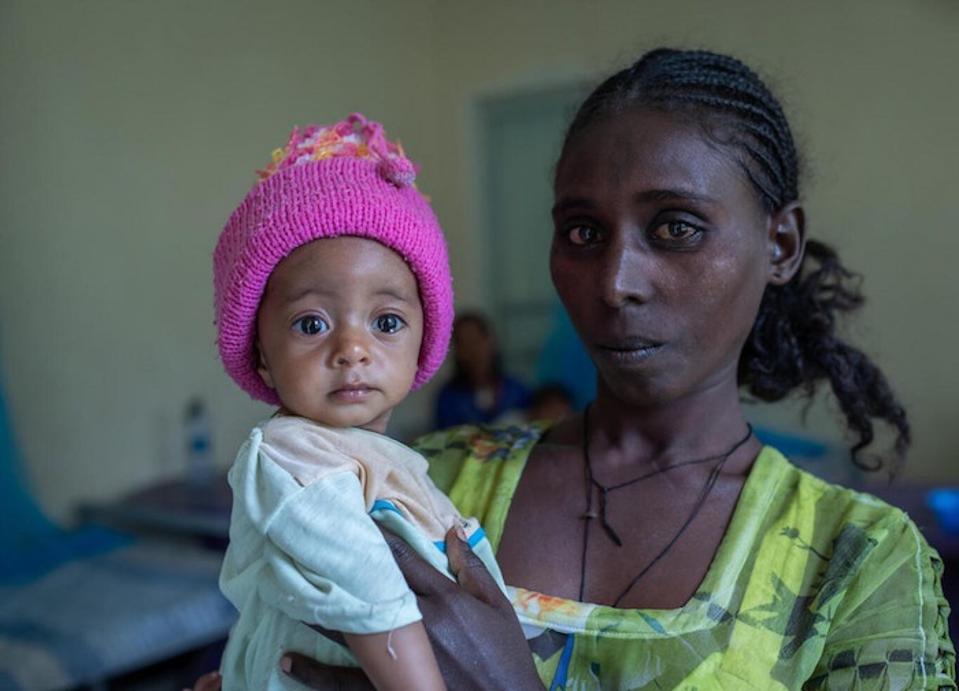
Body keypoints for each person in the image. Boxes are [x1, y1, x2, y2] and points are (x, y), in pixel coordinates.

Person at [200, 49, 956, 690]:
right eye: (583, 232)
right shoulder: (414, 485)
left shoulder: (861, 566)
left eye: (675, 227)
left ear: (780, 244)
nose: (615, 281)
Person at [211, 114, 509, 690]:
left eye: (387, 321)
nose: (352, 349)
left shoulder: (386, 460)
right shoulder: (290, 454)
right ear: (262, 354)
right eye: (311, 323)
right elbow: (370, 588)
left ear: (425, 338)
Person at [434, 311, 530, 428]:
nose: (473, 351)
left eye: (476, 340)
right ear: (457, 351)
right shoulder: (449, 399)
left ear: (491, 341)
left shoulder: (517, 390)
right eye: (464, 344)